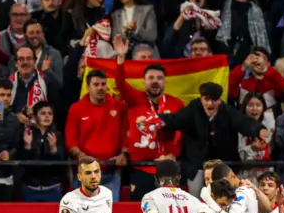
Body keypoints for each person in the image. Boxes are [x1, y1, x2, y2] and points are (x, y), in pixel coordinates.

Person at [146, 82, 269, 196]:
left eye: (214, 100)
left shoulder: (228, 112)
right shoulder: (193, 109)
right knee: (195, 200)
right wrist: (153, 122)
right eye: (206, 99)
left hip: (223, 165)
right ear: (201, 99)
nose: (210, 104)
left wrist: (259, 130)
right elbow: (173, 119)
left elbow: (243, 122)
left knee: (224, 199)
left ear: (220, 100)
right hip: (196, 166)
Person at [113, 34, 183, 200]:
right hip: (140, 168)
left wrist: (173, 154)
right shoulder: (134, 99)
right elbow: (120, 83)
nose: (155, 82)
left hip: (168, 168)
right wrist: (121, 59)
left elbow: (180, 132)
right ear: (144, 82)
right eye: (151, 78)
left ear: (164, 82)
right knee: (140, 211)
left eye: (159, 78)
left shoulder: (176, 104)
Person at [65, 70, 128, 200]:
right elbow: (71, 141)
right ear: (88, 87)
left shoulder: (118, 107)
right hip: (85, 173)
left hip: (111, 173)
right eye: (96, 84)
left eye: (103, 84)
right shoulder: (76, 109)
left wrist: (123, 154)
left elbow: (127, 135)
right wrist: (80, 155)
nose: (100, 88)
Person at [21, 101, 65, 202]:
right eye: (43, 113)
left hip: (52, 187)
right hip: (30, 187)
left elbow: (62, 161)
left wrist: (54, 148)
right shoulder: (28, 133)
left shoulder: (57, 135)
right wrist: (27, 146)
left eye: (50, 113)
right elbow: (22, 161)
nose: (47, 116)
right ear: (36, 116)